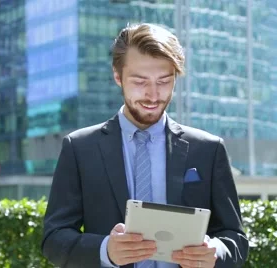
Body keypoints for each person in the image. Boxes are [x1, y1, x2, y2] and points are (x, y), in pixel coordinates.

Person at [41, 23, 249, 268]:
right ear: (117, 77)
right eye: (140, 81)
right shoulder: (79, 148)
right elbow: (54, 239)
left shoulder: (208, 149)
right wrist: (105, 250)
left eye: (164, 81)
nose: (153, 95)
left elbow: (235, 239)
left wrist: (214, 252)